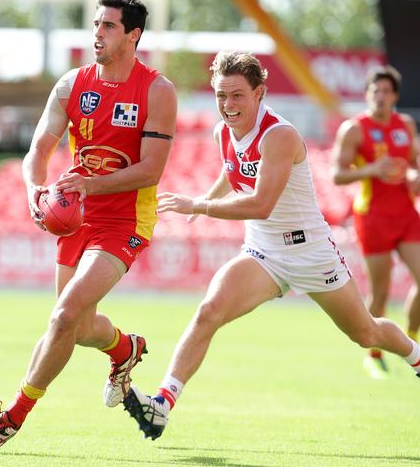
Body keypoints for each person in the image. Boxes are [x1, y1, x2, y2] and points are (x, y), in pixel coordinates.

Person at [122, 51, 420, 441]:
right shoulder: (222, 131)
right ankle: (162, 403)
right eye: (220, 96)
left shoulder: (280, 135)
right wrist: (206, 198)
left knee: (365, 333)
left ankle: (415, 356)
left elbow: (261, 204)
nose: (227, 106)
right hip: (263, 252)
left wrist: (199, 205)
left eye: (237, 96)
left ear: (260, 92)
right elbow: (232, 173)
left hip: (310, 252)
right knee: (209, 311)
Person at [0, 0, 177, 453]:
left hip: (125, 220)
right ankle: (125, 350)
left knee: (62, 316)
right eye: (96, 24)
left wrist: (89, 186)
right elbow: (37, 152)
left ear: (133, 35)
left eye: (109, 26)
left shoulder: (157, 91)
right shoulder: (71, 85)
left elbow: (150, 171)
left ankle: (10, 420)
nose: (97, 33)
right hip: (76, 217)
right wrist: (34, 193)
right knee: (77, 328)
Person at [332, 65, 420, 379]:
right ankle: (374, 355)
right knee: (380, 293)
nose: (380, 97)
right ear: (368, 94)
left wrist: (414, 175)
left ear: (394, 95)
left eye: (385, 91)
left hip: (407, 215)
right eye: (374, 91)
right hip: (373, 217)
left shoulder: (405, 125)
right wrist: (371, 169)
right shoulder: (354, 129)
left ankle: (410, 340)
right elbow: (337, 174)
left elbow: (413, 163)